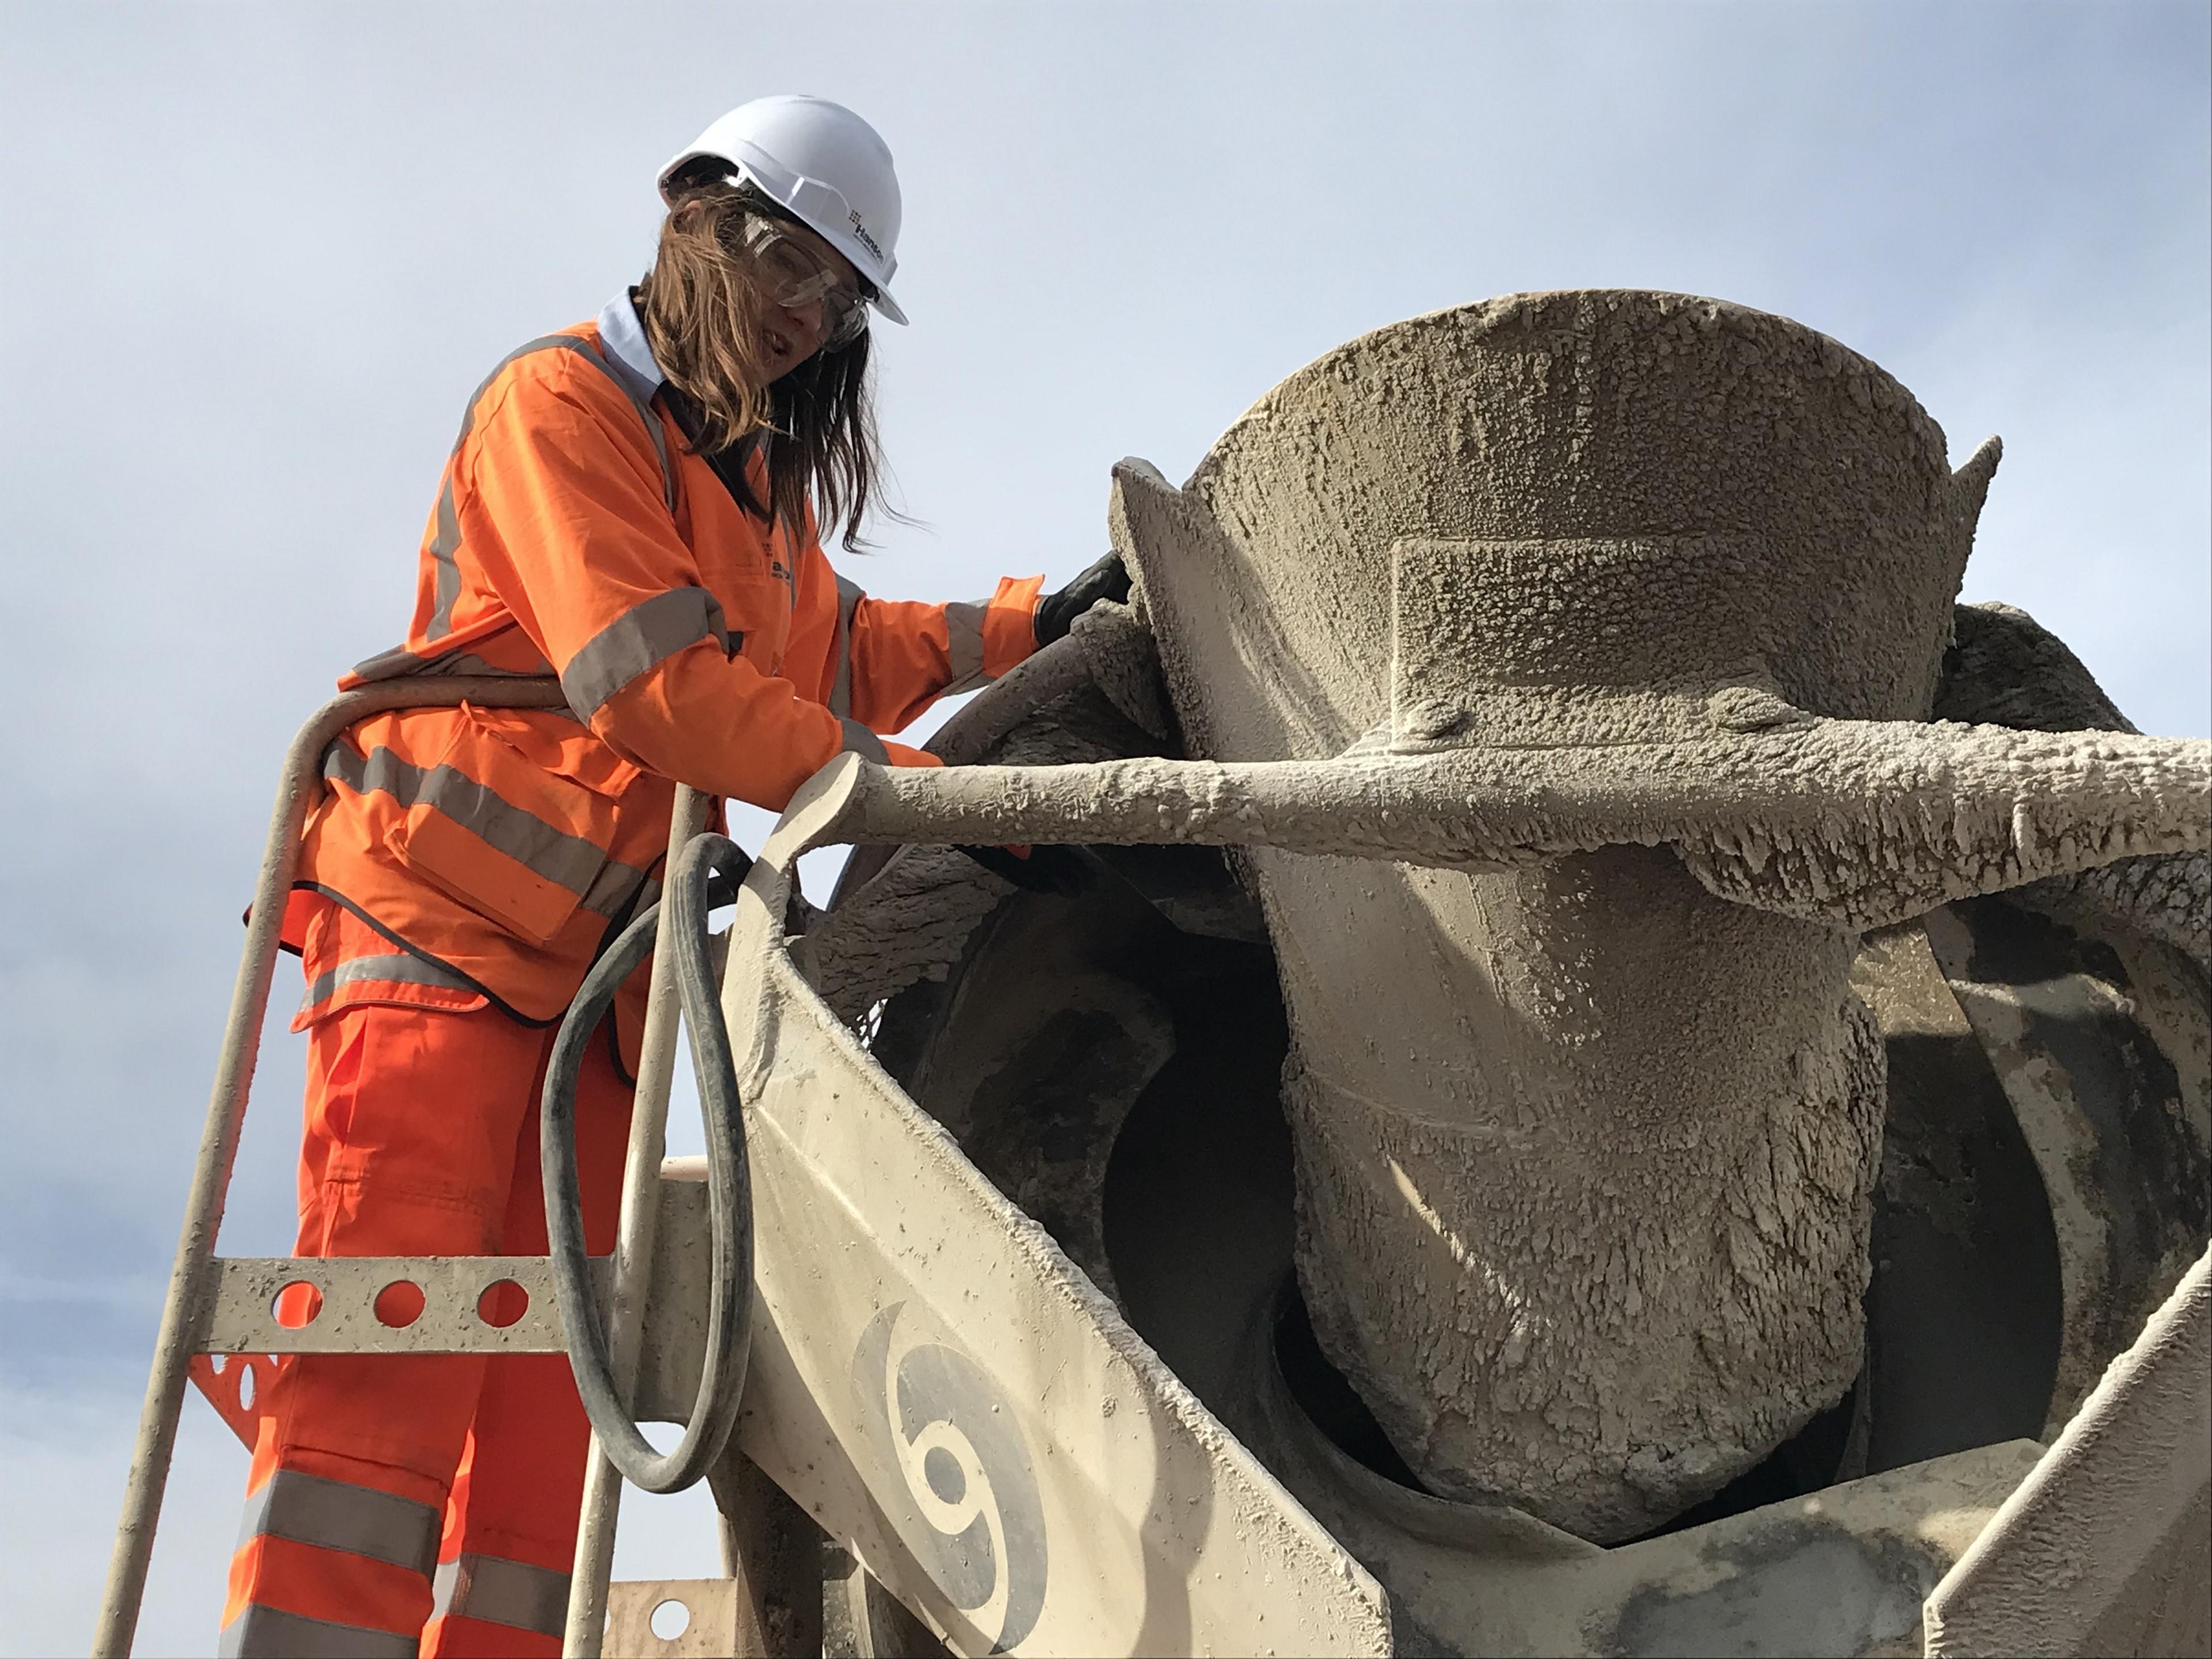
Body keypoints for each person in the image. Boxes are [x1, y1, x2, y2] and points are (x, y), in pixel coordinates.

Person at [219, 94, 1128, 1658]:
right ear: (692, 218)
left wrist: (1029, 624)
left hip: (593, 999)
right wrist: (921, 807)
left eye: (840, 297)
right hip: (433, 934)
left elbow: (840, 646)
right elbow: (657, 688)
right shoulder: (558, 406)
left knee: (544, 1436)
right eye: (786, 260)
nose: (804, 315)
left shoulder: (751, 492)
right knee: (384, 1381)